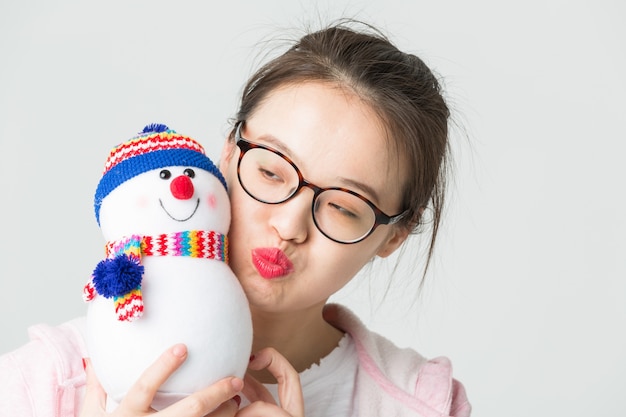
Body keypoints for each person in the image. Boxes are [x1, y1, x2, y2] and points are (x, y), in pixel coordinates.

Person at [0, 18, 471, 417]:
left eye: (344, 207)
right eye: (270, 171)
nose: (289, 226)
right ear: (226, 155)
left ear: (393, 238)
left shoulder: (421, 403)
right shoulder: (47, 382)